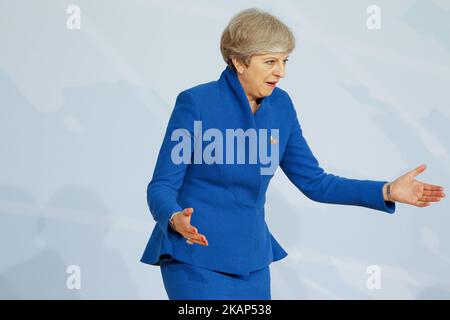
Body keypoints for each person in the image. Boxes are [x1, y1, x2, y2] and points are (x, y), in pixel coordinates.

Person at [140, 8, 445, 300]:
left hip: (253, 263)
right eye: (271, 61)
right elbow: (162, 186)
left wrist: (387, 191)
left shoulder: (281, 107)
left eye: (285, 61)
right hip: (195, 257)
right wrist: (173, 218)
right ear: (238, 61)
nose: (281, 72)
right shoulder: (196, 103)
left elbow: (315, 182)